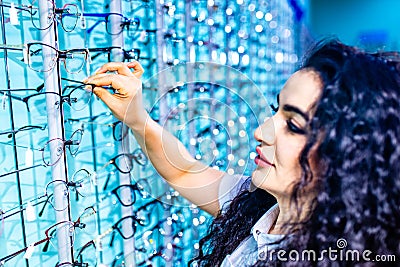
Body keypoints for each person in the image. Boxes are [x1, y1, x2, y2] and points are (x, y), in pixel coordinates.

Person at [83, 39, 400, 266]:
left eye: (293, 125)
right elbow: (185, 171)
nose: (260, 132)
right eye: (276, 110)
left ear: (347, 155)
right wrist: (139, 118)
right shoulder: (262, 206)